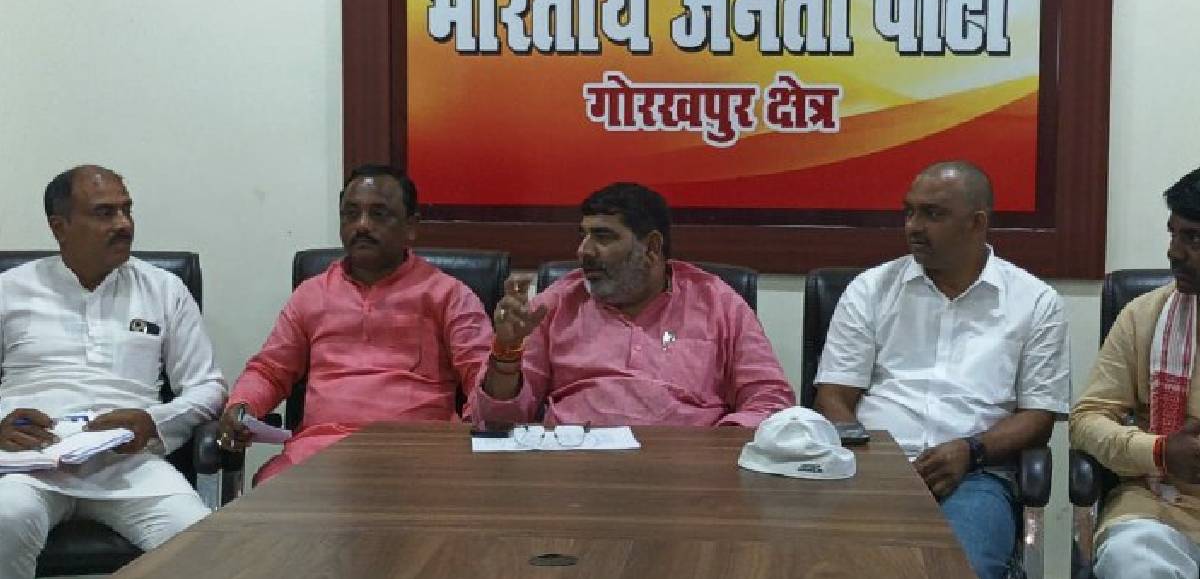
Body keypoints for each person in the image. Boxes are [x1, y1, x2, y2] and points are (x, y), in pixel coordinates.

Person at [813, 161, 1069, 579]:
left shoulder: (1036, 302)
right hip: (872, 470)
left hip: (975, 476)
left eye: (932, 214)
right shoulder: (871, 289)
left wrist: (971, 451)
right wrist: (870, 457)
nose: (913, 227)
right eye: (909, 211)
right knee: (827, 566)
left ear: (977, 223)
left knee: (954, 569)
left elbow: (1039, 417)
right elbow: (833, 396)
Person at [0, 165, 227, 579]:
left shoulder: (163, 289)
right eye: (105, 213)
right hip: (28, 463)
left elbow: (208, 386)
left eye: (127, 210)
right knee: (5, 518)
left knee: (199, 541)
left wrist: (152, 421)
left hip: (127, 462)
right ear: (60, 227)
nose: (124, 224)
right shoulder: (9, 289)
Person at [217, 165, 492, 483]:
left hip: (418, 452)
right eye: (350, 214)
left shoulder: (448, 295)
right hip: (320, 452)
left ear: (411, 226)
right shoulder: (312, 294)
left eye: (379, 214)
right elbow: (270, 370)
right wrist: (242, 406)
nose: (362, 225)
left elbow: (483, 378)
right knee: (270, 494)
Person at [473, 181, 794, 428]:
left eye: (603, 237)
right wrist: (506, 353)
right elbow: (495, 421)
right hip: (574, 467)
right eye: (583, 235)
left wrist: (714, 453)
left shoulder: (717, 302)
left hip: (688, 471)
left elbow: (770, 400)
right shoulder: (557, 303)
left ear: (651, 248)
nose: (584, 250)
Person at [1071, 166, 1200, 578]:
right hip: (1162, 509)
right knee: (1131, 560)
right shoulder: (1144, 315)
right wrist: (1159, 451)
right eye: (1173, 234)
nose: (1174, 252)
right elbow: (1086, 421)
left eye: (1194, 239)